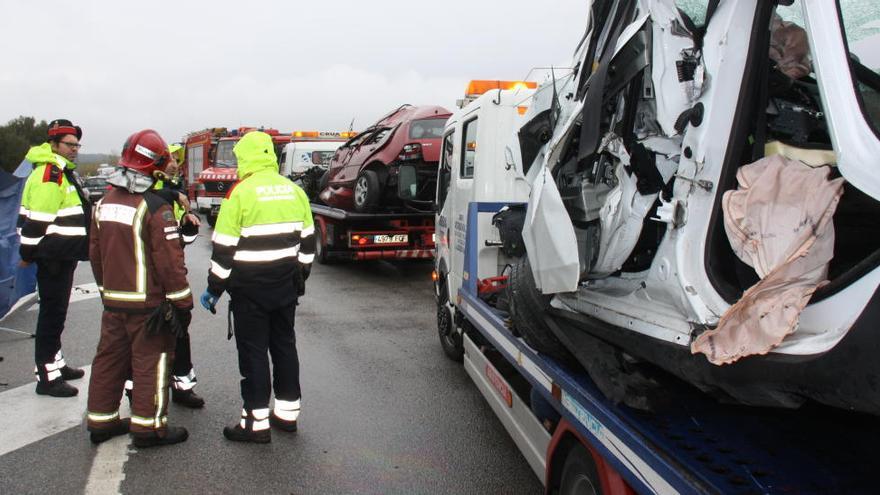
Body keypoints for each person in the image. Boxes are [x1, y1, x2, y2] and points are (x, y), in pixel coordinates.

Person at [201, 131, 315, 443]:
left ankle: (255, 424)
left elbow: (224, 249)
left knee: (253, 353)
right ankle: (287, 416)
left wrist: (214, 288)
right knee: (284, 347)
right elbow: (308, 244)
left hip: (249, 291)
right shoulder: (294, 191)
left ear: (245, 157)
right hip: (285, 289)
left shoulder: (239, 193)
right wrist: (298, 278)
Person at [85, 129, 192, 447]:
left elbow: (95, 255)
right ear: (153, 166)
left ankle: (101, 422)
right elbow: (170, 264)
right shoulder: (155, 208)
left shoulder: (103, 203)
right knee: (151, 361)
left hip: (115, 303)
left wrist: (107, 291)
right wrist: (182, 303)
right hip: (149, 306)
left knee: (109, 360)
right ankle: (149, 428)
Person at [122, 143, 204, 408]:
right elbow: (148, 201)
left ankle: (182, 385)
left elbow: (176, 238)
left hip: (170, 266)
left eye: (177, 160)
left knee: (180, 332)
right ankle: (138, 391)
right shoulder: (145, 185)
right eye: (169, 159)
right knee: (145, 338)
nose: (174, 164)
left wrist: (187, 226)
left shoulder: (175, 187)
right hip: (146, 275)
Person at [17, 119, 89, 397]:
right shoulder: (51, 174)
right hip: (53, 257)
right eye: (69, 145)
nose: (75, 149)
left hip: (63, 255)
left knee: (56, 315)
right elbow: (38, 222)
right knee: (51, 315)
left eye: (77, 145)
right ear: (53, 144)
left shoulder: (61, 171)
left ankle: (56, 365)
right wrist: (27, 254)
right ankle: (47, 378)